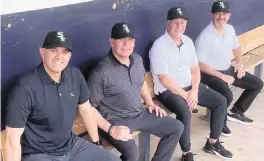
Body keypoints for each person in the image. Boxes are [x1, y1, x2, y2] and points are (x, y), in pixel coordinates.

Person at [4, 31, 131, 161]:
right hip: (39, 154)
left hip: (71, 146)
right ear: (42, 52)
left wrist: (96, 144)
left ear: (70, 55)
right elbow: (11, 139)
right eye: (53, 50)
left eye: (65, 52)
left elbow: (86, 111)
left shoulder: (74, 75)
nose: (59, 56)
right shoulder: (25, 88)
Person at [87, 22, 184, 161]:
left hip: (140, 113)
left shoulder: (137, 60)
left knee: (176, 127)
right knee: (133, 154)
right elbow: (88, 107)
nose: (126, 44)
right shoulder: (101, 72)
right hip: (116, 120)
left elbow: (142, 83)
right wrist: (110, 129)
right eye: (121, 39)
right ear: (111, 42)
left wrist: (150, 103)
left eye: (130, 40)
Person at [149, 7, 233, 160]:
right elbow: (164, 79)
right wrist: (186, 96)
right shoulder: (159, 46)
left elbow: (195, 69)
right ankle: (186, 153)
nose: (179, 26)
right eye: (176, 23)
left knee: (221, 101)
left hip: (189, 87)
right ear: (168, 23)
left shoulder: (187, 41)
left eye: (183, 23)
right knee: (185, 112)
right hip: (168, 91)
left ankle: (213, 143)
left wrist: (194, 91)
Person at [195, 1, 263, 127]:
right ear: (211, 15)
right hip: (209, 74)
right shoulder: (205, 36)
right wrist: (223, 77)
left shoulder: (229, 29)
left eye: (224, 14)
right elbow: (200, 64)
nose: (221, 17)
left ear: (229, 15)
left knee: (256, 84)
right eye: (218, 14)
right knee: (227, 95)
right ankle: (220, 124)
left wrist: (239, 65)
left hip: (227, 69)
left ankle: (236, 112)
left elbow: (236, 49)